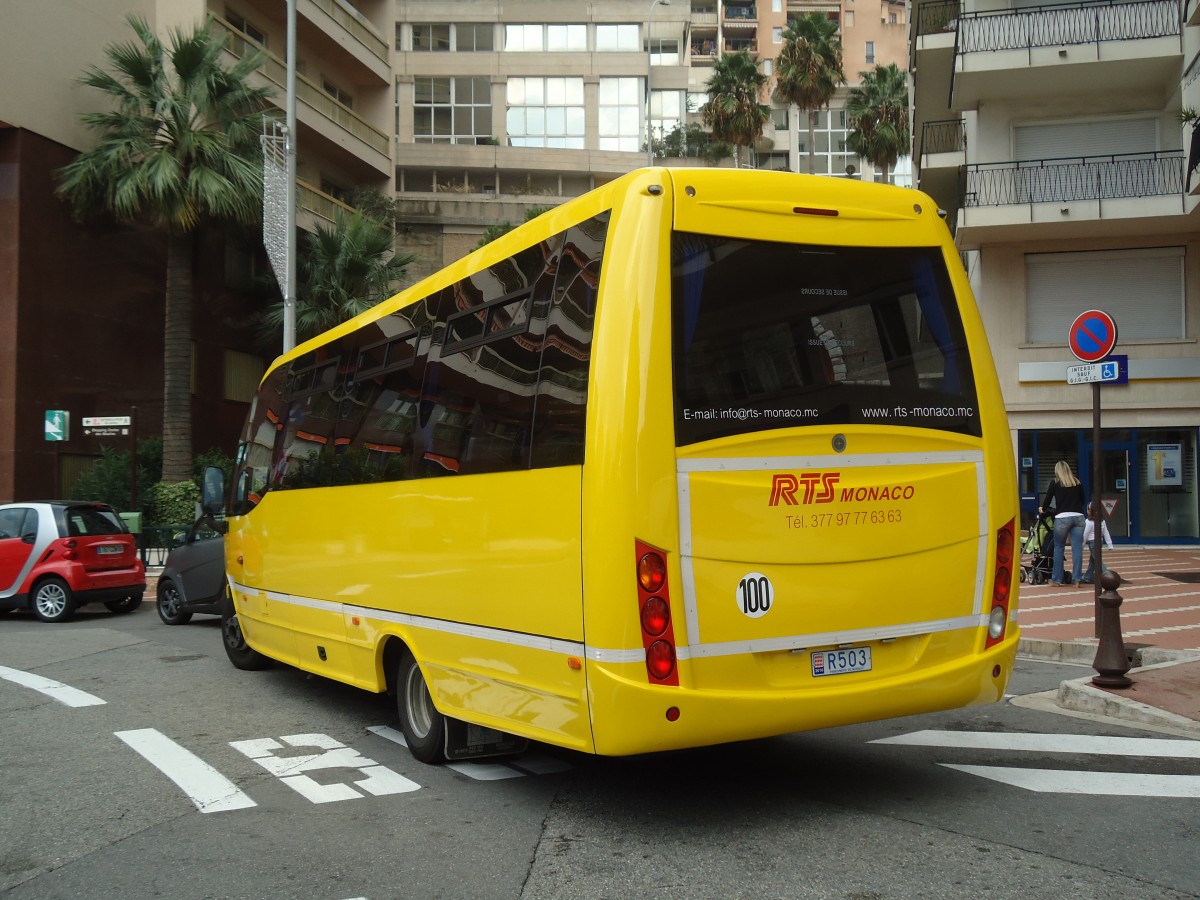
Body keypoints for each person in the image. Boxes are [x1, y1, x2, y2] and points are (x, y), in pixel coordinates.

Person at [1038, 460, 1085, 585]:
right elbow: (1082, 500)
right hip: (1078, 516)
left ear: (1057, 471)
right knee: (1077, 549)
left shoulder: (1055, 483)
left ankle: (1057, 579)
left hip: (1062, 517)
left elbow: (1047, 501)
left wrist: (1042, 509)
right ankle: (1077, 579)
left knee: (1059, 547)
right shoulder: (1077, 482)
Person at [1081, 500, 1113, 586]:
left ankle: (1108, 576)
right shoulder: (1102, 521)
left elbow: (1085, 534)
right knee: (1093, 560)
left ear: (1090, 511)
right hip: (1100, 542)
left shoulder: (1088, 522)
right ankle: (1087, 577)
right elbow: (1106, 532)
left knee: (1098, 560)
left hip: (1092, 543)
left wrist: (1082, 545)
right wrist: (1109, 544)